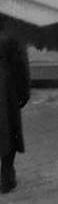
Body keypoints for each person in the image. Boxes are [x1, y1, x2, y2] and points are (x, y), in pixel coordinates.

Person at [0, 12, 30, 193]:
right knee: (8, 129)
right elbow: (21, 64)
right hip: (4, 85)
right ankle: (6, 176)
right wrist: (23, 92)